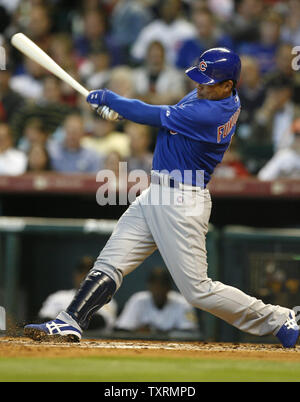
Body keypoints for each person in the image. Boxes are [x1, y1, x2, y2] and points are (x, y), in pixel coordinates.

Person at [24, 48, 299, 348]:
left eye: (208, 81)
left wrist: (111, 100)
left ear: (228, 86)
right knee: (111, 261)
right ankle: (70, 321)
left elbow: (152, 114)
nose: (200, 85)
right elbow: (159, 118)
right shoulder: (214, 97)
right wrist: (121, 112)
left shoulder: (211, 112)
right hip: (158, 192)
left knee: (197, 291)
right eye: (200, 78)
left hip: (181, 200)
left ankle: (278, 318)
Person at [37, 256, 117, 332]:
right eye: (81, 272)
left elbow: (100, 322)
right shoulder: (58, 297)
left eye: (89, 272)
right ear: (74, 275)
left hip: (94, 341)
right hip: (60, 342)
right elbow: (44, 320)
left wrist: (64, 320)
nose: (85, 276)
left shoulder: (105, 298)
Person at [115, 267, 198, 334]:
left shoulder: (182, 303)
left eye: (162, 285)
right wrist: (137, 332)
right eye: (155, 285)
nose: (158, 289)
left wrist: (155, 332)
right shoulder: (138, 300)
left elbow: (190, 332)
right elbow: (122, 329)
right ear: (149, 286)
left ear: (169, 287)